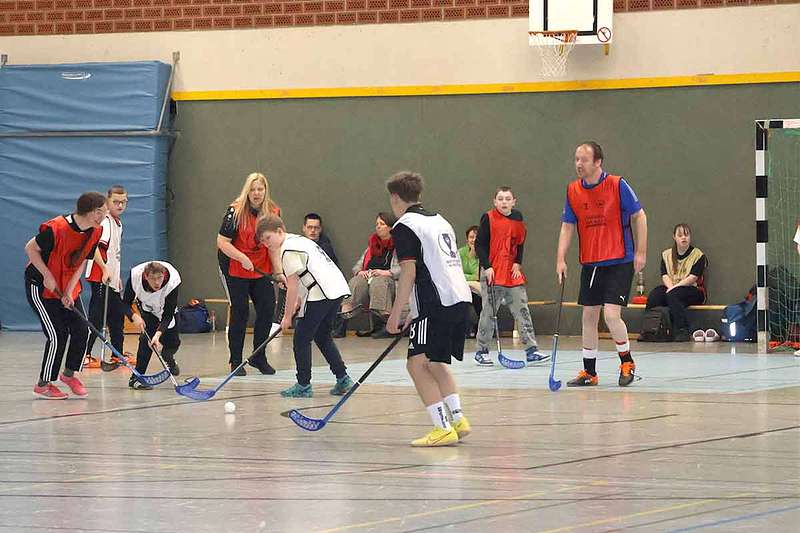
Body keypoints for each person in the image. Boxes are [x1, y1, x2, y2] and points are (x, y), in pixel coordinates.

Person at [385, 171, 472, 447]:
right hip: (460, 299)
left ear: (396, 197)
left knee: (416, 364)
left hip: (436, 304)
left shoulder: (404, 225)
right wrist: (414, 309)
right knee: (435, 362)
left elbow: (409, 273)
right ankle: (458, 419)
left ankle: (442, 427)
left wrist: (396, 314)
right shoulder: (440, 220)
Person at [556, 141, 647, 387]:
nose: (578, 164)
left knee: (610, 314)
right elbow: (567, 226)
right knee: (588, 314)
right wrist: (560, 258)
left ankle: (627, 362)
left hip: (619, 259)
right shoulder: (573, 190)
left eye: (584, 159)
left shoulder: (618, 185)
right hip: (592, 262)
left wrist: (641, 252)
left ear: (598, 162)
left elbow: (639, 216)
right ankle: (589, 372)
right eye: (576, 159)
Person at [257, 215, 354, 397]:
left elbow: (292, 286)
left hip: (321, 293)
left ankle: (303, 385)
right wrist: (299, 301)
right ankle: (343, 378)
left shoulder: (287, 250)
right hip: (336, 289)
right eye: (263, 241)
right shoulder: (299, 240)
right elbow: (308, 273)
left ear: (279, 231)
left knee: (301, 339)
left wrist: (286, 317)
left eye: (268, 238)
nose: (266, 244)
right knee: (322, 336)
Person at [24, 192, 107, 399]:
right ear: (90, 212)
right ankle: (44, 384)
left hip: (67, 285)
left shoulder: (95, 232)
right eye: (101, 212)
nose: (104, 216)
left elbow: (81, 262)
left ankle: (69, 375)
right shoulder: (55, 229)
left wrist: (70, 291)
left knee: (82, 330)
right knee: (57, 335)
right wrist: (47, 275)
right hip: (41, 286)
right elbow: (30, 249)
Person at [217, 172, 281, 377]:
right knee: (240, 312)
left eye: (260, 189)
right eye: (252, 189)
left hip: (260, 268)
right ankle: (235, 360)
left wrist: (279, 273)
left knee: (267, 309)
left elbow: (274, 246)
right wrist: (241, 258)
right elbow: (222, 242)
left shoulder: (273, 211)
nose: (256, 193)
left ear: (265, 190)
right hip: (236, 267)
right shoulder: (235, 212)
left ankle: (258, 356)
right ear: (247, 191)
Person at [473, 187, 547, 366]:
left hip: (511, 274)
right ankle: (481, 351)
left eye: (507, 199)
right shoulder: (488, 218)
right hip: (493, 273)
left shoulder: (518, 218)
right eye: (500, 199)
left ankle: (531, 350)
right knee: (489, 313)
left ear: (514, 201)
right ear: (495, 201)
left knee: (522, 310)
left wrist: (517, 263)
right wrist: (487, 266)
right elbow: (480, 245)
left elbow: (519, 243)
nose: (504, 202)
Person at [338, 213, 401, 338]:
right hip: (370, 277)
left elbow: (405, 267)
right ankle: (342, 323)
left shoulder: (399, 246)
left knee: (379, 282)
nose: (378, 227)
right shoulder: (371, 246)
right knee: (356, 281)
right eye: (377, 224)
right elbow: (356, 266)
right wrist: (360, 272)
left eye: (382, 224)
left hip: (389, 280)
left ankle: (384, 325)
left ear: (390, 227)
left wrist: (387, 272)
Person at [84, 185, 128, 365]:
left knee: (117, 316)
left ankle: (117, 353)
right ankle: (83, 355)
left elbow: (114, 254)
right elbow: (94, 247)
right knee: (96, 316)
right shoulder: (105, 222)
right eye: (115, 202)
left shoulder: (118, 223)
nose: (120, 206)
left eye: (123, 202)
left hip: (111, 280)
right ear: (107, 202)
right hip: (99, 277)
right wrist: (104, 269)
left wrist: (116, 276)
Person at [122, 261, 182, 390]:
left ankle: (169, 359)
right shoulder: (135, 277)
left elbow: (168, 315)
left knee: (173, 343)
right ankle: (137, 377)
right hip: (148, 311)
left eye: (159, 278)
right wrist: (133, 316)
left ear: (164, 275)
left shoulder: (173, 282)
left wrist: (158, 335)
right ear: (145, 276)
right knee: (145, 340)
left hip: (166, 312)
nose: (156, 282)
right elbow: (124, 303)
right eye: (152, 278)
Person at [645, 223, 707, 341]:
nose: (684, 238)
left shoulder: (698, 255)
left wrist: (674, 288)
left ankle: (682, 330)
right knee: (655, 294)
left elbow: (692, 278)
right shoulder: (666, 255)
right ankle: (649, 329)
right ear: (674, 237)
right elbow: (664, 275)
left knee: (673, 295)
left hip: (693, 290)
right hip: (672, 288)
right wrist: (670, 287)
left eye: (686, 235)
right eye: (680, 235)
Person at [458, 225, 482, 337]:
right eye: (471, 237)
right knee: (462, 302)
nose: (474, 240)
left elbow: (478, 275)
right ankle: (465, 329)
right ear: (467, 239)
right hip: (463, 288)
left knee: (479, 301)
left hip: (479, 289)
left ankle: (481, 328)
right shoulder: (461, 253)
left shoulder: (484, 254)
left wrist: (473, 255)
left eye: (476, 237)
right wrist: (468, 278)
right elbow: (456, 273)